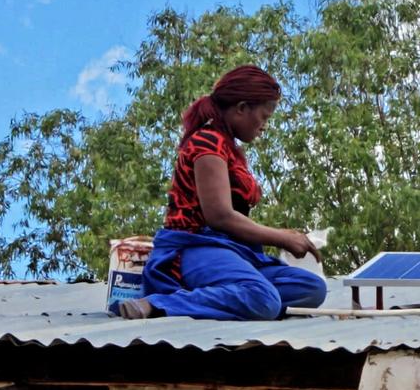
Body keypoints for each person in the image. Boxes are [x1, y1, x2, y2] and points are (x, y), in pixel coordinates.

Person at [120, 65, 327, 320]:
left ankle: (228, 299)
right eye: (264, 117)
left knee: (311, 288)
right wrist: (281, 238)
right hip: (195, 249)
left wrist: (284, 235)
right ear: (241, 108)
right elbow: (220, 216)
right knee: (263, 298)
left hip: (231, 252)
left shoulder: (229, 147)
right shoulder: (207, 142)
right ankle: (160, 303)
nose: (264, 126)